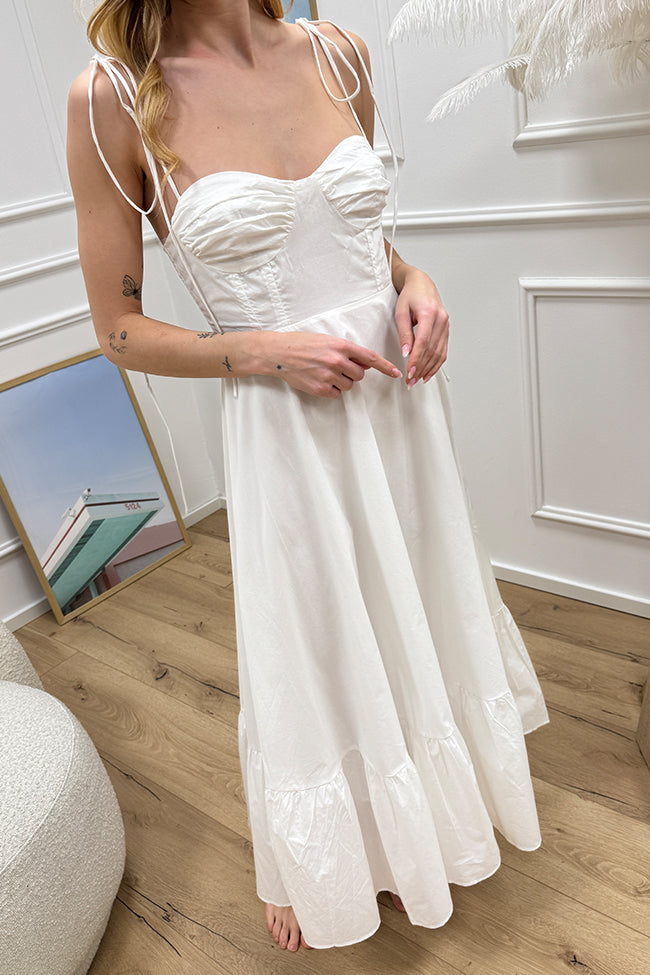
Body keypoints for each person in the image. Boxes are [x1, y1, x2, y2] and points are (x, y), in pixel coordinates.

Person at [67, 0, 550, 954]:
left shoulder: (338, 55)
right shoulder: (113, 97)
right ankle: (314, 855)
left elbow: (359, 239)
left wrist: (416, 281)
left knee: (413, 600)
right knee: (313, 627)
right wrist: (260, 351)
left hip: (400, 404)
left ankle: (425, 823)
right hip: (284, 424)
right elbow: (117, 329)